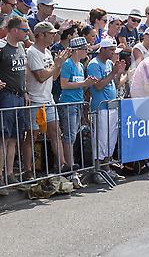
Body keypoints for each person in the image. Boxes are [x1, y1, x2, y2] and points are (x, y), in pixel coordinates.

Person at [22, 21, 72, 181]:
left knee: (56, 132)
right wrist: (56, 65)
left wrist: (59, 65)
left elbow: (53, 76)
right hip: (35, 100)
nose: (54, 36)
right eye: (51, 33)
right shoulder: (32, 52)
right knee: (32, 135)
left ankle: (62, 164)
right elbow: (41, 77)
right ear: (41, 35)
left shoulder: (48, 53)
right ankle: (28, 170)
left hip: (48, 99)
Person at [59, 37, 98, 188]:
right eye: (84, 49)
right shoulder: (68, 64)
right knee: (69, 136)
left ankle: (71, 167)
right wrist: (84, 83)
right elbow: (64, 84)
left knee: (72, 136)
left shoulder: (80, 65)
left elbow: (77, 85)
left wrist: (87, 83)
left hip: (77, 103)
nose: (87, 51)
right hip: (68, 104)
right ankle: (71, 170)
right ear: (77, 50)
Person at [87, 38, 127, 183]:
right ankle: (98, 170)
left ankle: (107, 169)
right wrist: (112, 73)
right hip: (101, 108)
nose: (113, 53)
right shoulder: (94, 64)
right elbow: (97, 86)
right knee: (101, 140)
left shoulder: (109, 63)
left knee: (110, 140)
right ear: (102, 49)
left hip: (111, 106)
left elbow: (114, 85)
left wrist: (118, 73)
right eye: (111, 50)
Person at [0, 16, 29, 194]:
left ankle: (10, 175)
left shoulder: (21, 47)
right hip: (6, 97)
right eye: (25, 30)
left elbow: (22, 74)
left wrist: (25, 91)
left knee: (13, 139)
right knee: (3, 139)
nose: (27, 33)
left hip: (19, 97)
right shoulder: (2, 47)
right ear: (14, 30)